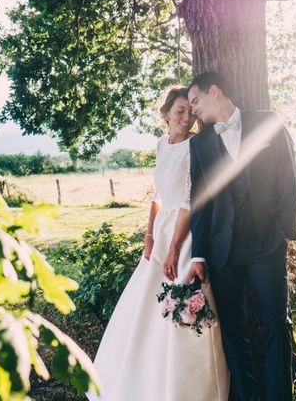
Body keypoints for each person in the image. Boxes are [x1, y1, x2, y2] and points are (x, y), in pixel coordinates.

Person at [88, 87, 229, 401]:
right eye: (179, 111)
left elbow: (189, 200)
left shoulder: (196, 145)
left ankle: (185, 387)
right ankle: (144, 379)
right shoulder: (161, 145)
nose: (186, 117)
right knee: (146, 308)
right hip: (163, 227)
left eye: (189, 111)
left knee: (180, 296)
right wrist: (150, 235)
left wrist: (175, 245)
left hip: (185, 229)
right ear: (165, 114)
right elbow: (158, 196)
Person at [186, 71, 296, 401]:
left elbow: (288, 178)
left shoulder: (268, 122)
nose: (193, 111)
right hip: (223, 253)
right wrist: (199, 254)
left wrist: (285, 232)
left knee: (277, 326)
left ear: (215, 91)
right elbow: (200, 201)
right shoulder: (200, 143)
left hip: (267, 246)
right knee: (234, 334)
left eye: (195, 101)